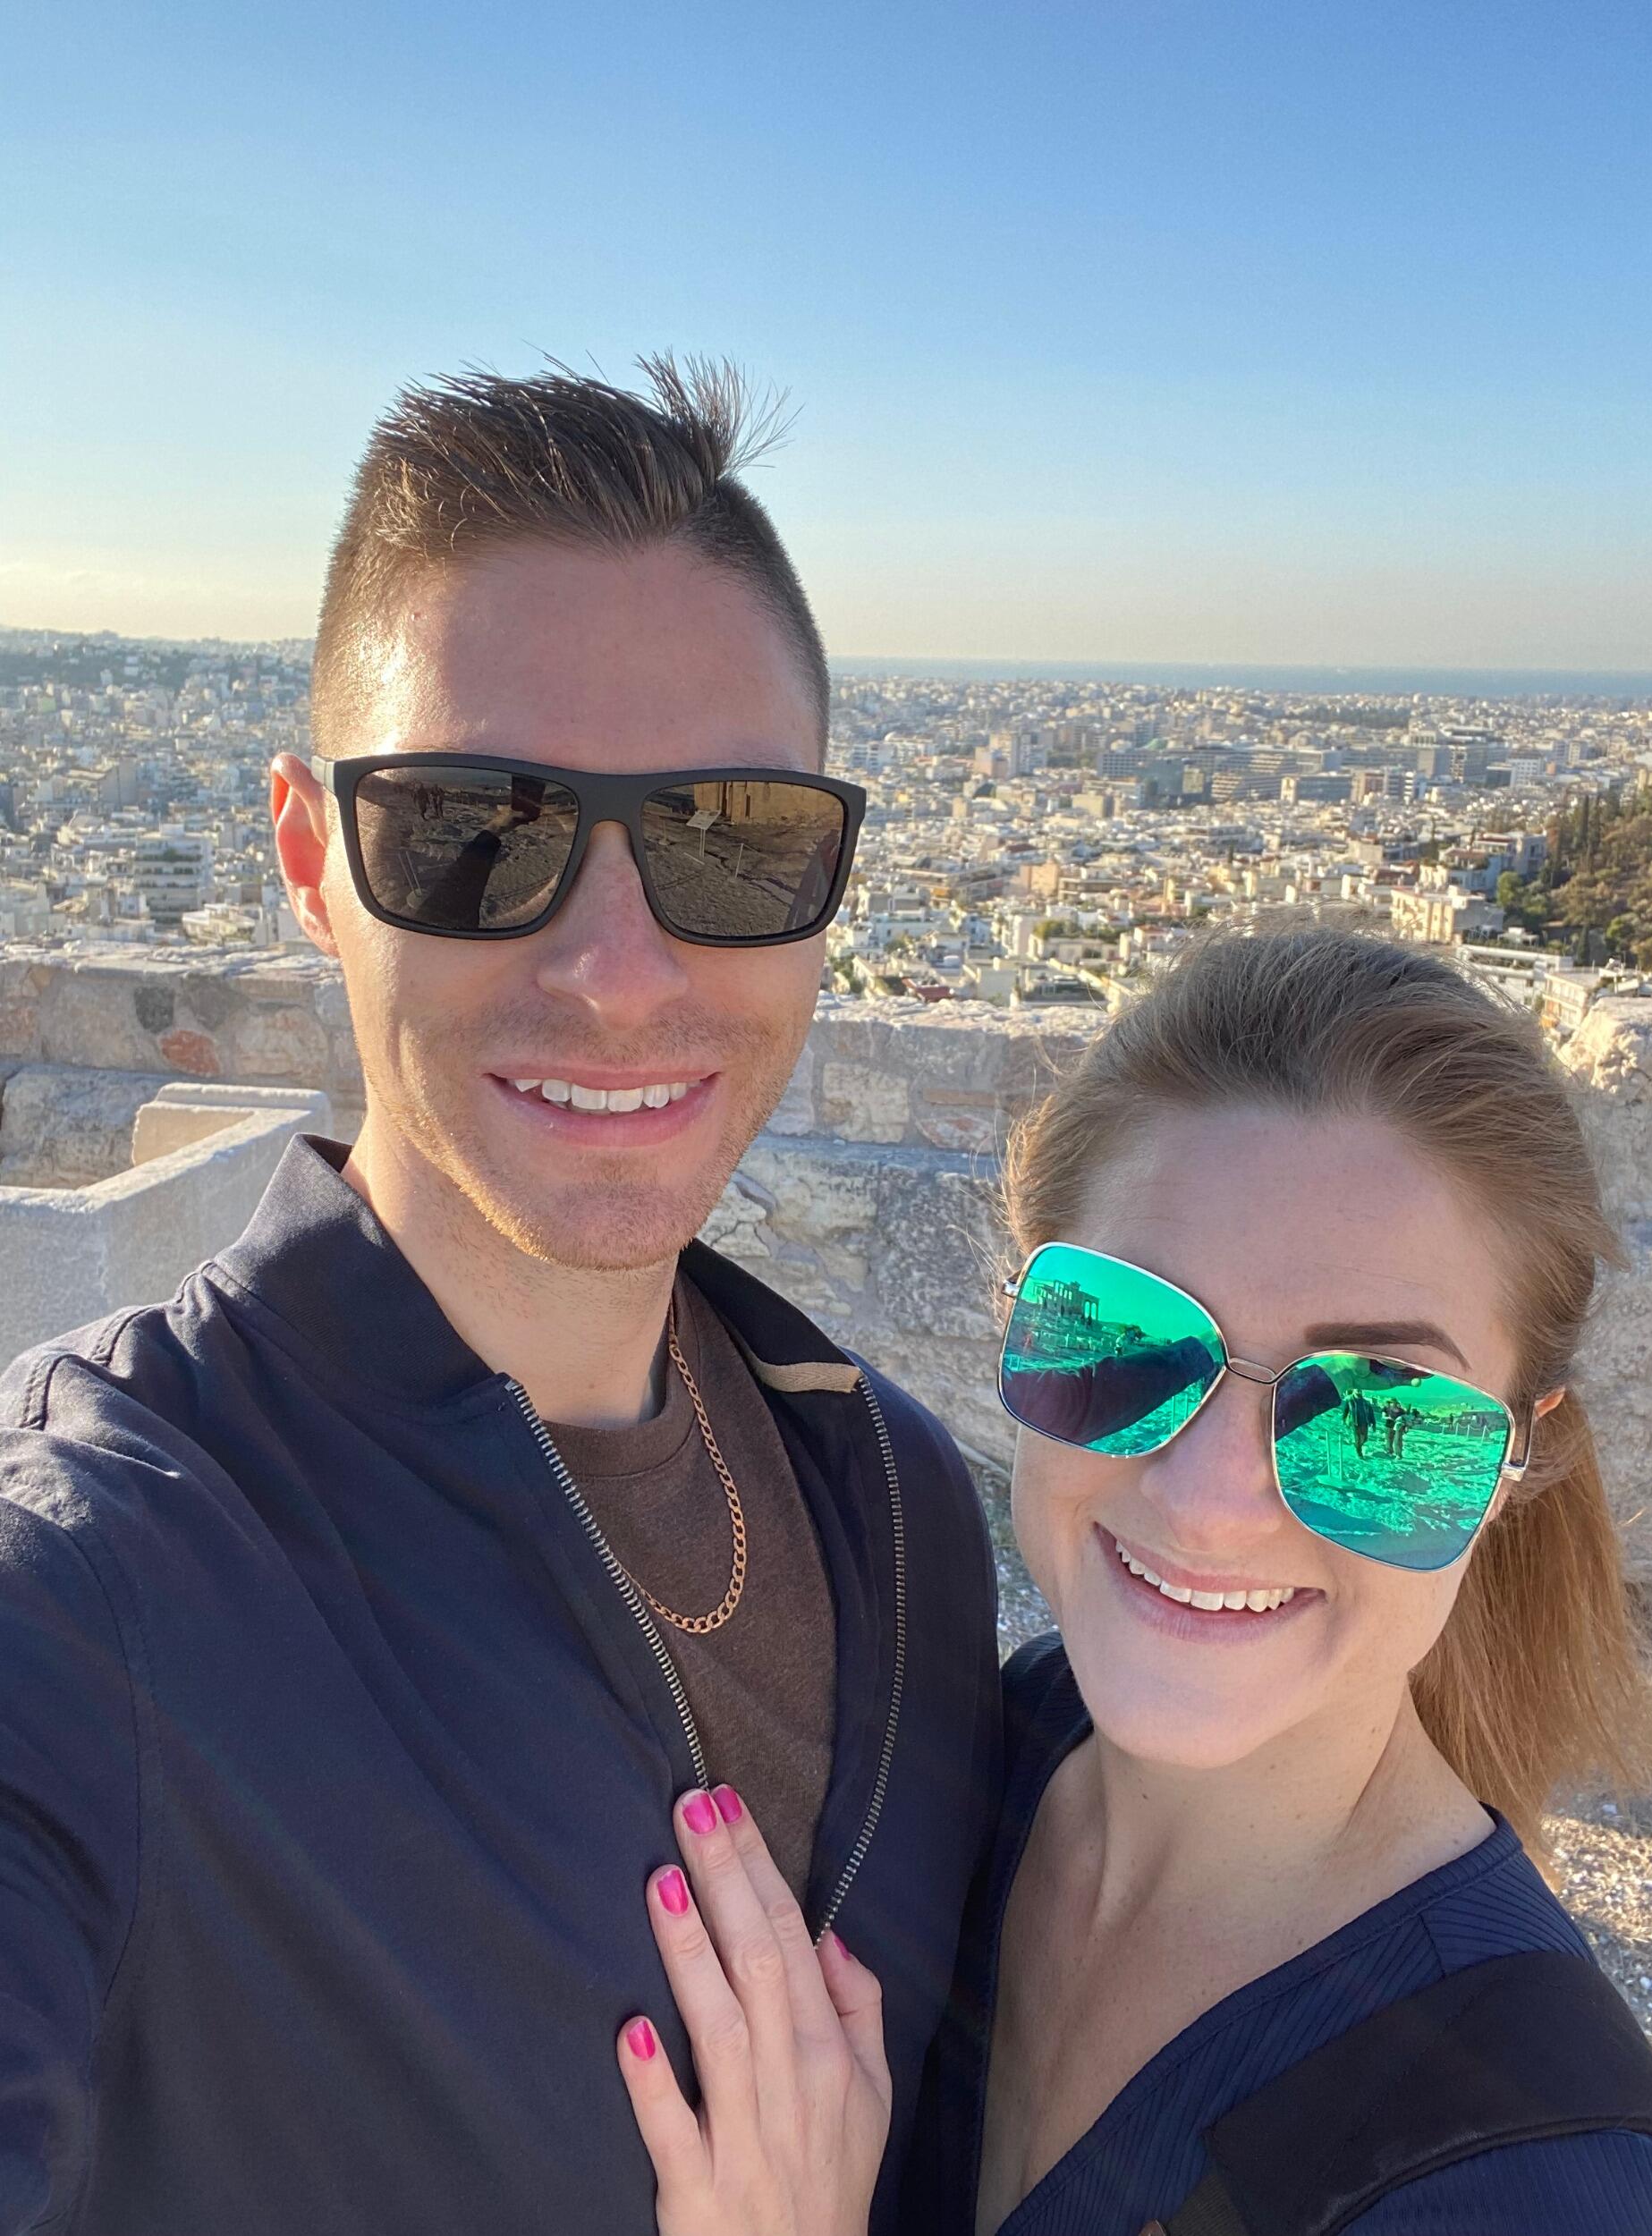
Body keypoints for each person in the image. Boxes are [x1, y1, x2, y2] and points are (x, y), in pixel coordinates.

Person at [0, 361, 1001, 2233]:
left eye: (730, 839)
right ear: (310, 857)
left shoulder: (899, 1507)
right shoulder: (94, 1598)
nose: (618, 972)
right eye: (476, 832)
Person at [618, 924, 1652, 2234]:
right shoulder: (971, 1757)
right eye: (1127, 1343)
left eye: (1377, 1418)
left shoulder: (1539, 2193)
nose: (1207, 1500)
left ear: (1521, 1459)